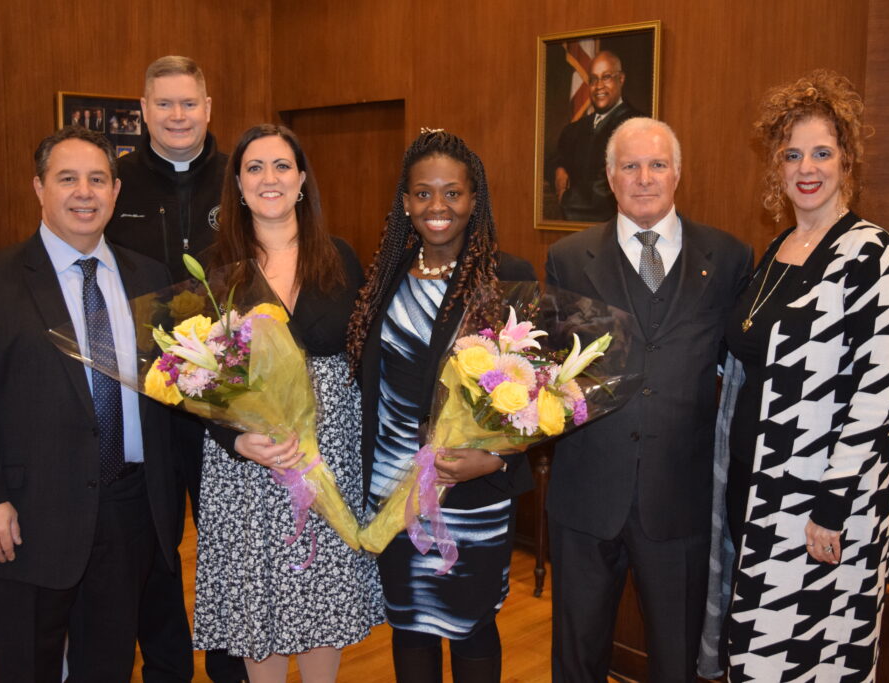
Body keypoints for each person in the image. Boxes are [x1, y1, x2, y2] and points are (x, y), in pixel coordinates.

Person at [0, 126, 180, 682]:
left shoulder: (151, 279)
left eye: (97, 179)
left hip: (128, 513)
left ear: (117, 191)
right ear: (38, 189)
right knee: (26, 669)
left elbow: (172, 394)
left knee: (107, 668)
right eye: (67, 179)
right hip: (23, 517)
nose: (84, 193)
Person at [707, 69, 889, 683]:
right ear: (775, 166)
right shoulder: (777, 248)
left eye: (822, 152)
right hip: (757, 492)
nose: (807, 167)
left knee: (808, 660)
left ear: (847, 160)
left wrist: (832, 508)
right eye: (792, 153)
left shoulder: (877, 259)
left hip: (818, 509)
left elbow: (877, 399)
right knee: (753, 654)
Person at [546, 117, 753, 683]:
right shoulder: (567, 258)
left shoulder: (730, 258)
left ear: (678, 173)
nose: (644, 178)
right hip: (586, 499)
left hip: (680, 501)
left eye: (657, 165)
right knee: (576, 661)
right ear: (609, 178)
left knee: (676, 663)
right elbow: (547, 371)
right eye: (629, 166)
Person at [192, 123, 383, 683]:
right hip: (249, 465)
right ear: (238, 184)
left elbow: (369, 359)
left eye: (281, 166)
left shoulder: (341, 258)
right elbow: (192, 378)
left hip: (329, 457)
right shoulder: (215, 268)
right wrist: (237, 439)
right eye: (254, 167)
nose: (268, 178)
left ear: (301, 180)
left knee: (324, 591)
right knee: (262, 601)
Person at [346, 129, 536, 682]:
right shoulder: (383, 278)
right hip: (393, 488)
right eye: (423, 193)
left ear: (474, 200)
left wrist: (499, 460)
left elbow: (537, 396)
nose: (438, 207)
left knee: (472, 624)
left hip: (470, 491)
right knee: (409, 625)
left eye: (452, 193)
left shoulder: (508, 280)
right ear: (405, 202)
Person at [104, 55, 234, 682]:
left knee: (228, 545)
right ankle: (167, 672)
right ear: (144, 111)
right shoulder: (116, 181)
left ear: (208, 108)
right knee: (156, 549)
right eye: (164, 104)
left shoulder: (242, 175)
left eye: (189, 103)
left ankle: (230, 667)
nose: (177, 116)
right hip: (144, 400)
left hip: (231, 399)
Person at [550, 50, 644, 222]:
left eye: (606, 77)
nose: (599, 85)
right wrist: (559, 168)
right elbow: (559, 159)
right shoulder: (574, 129)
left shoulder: (636, 125)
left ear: (621, 79)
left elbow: (607, 191)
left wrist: (566, 198)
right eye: (593, 79)